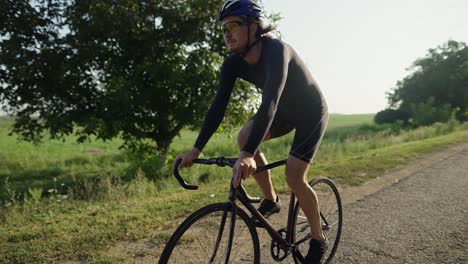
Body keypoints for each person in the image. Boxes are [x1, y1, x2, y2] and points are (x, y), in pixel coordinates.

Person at [175, 0, 329, 263]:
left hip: (310, 112)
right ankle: (271, 199)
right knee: (244, 137)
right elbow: (218, 107)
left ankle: (318, 240)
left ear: (254, 26)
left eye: (233, 24)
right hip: (282, 113)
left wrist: (247, 155)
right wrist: (195, 150)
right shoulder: (233, 63)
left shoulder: (277, 51)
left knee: (294, 176)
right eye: (223, 27)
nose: (226, 32)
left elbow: (270, 101)